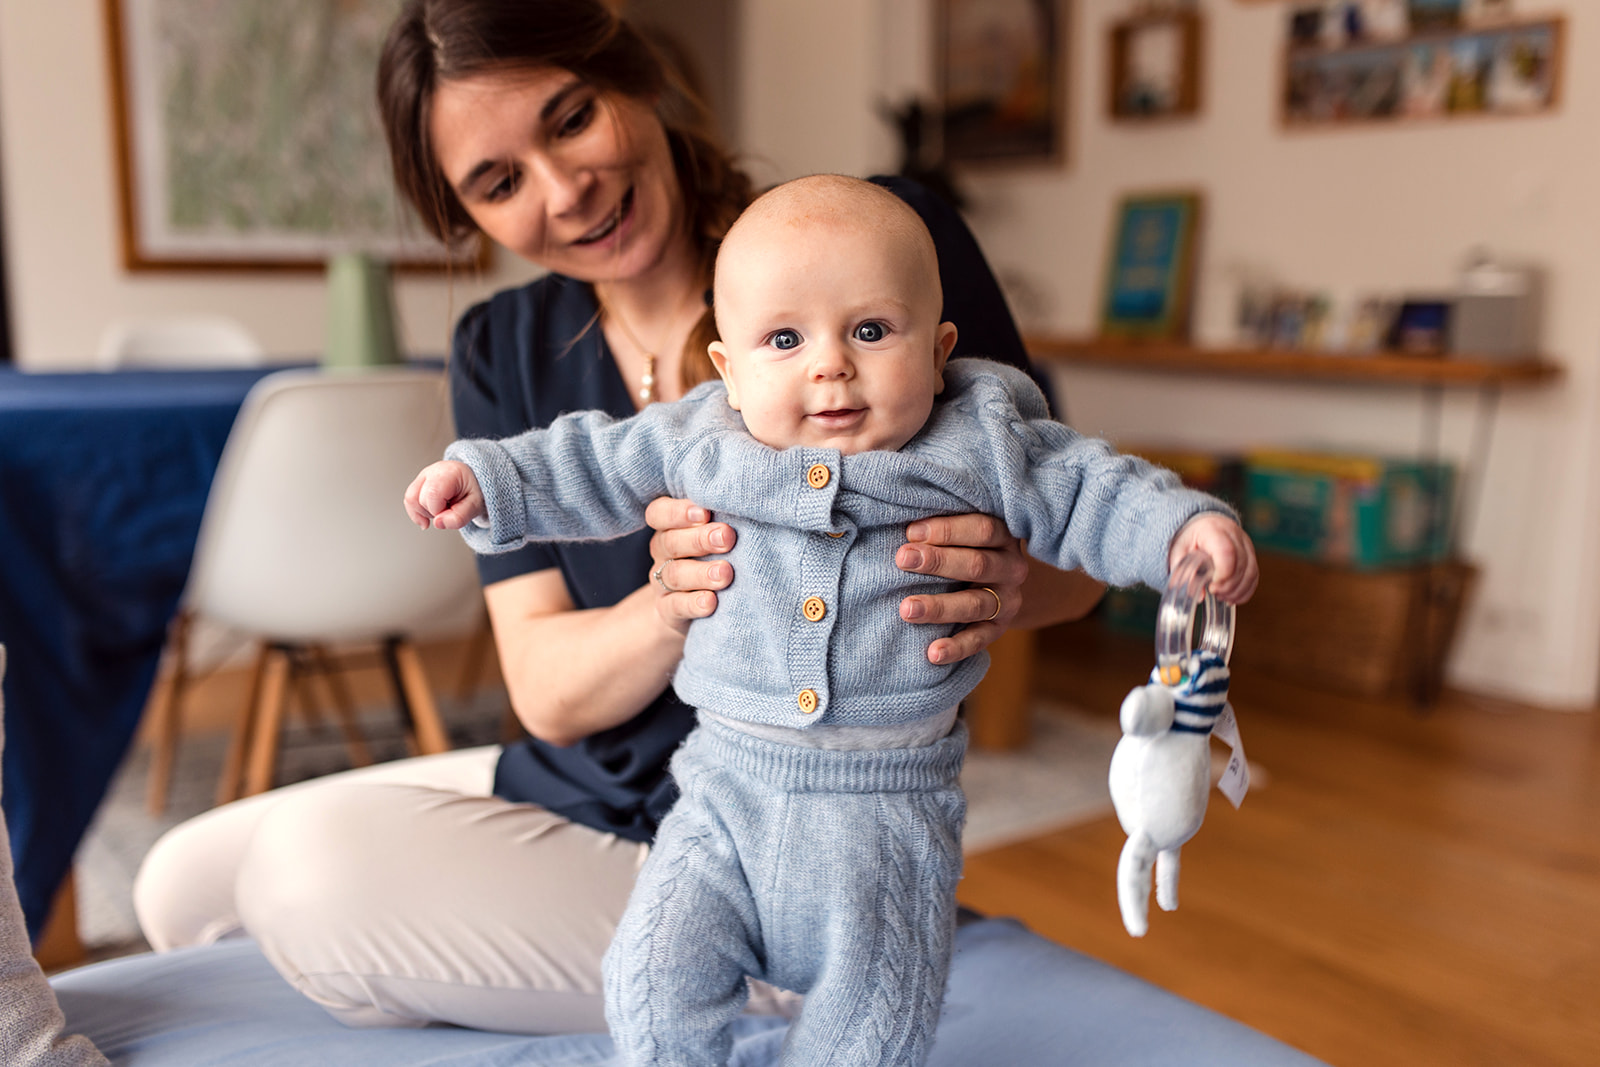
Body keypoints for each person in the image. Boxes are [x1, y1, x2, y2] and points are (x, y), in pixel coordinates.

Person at [133, 0, 1106, 1035]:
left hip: (809, 830)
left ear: (631, 73)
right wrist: (669, 599)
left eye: (569, 119)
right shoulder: (499, 347)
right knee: (183, 882)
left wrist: (1006, 580)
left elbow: (1077, 569)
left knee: (302, 876)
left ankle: (777, 970)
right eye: (500, 182)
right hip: (600, 788)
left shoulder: (870, 246)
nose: (565, 190)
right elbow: (548, 692)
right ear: (468, 218)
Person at [405, 174, 1258, 1065]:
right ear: (728, 372)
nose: (830, 365)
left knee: (871, 1033)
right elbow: (584, 461)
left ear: (938, 351)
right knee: (652, 981)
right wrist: (487, 485)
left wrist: (1183, 530)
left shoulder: (981, 435)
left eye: (871, 330)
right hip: (721, 798)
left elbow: (1095, 487)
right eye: (784, 339)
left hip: (888, 817)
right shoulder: (702, 435)